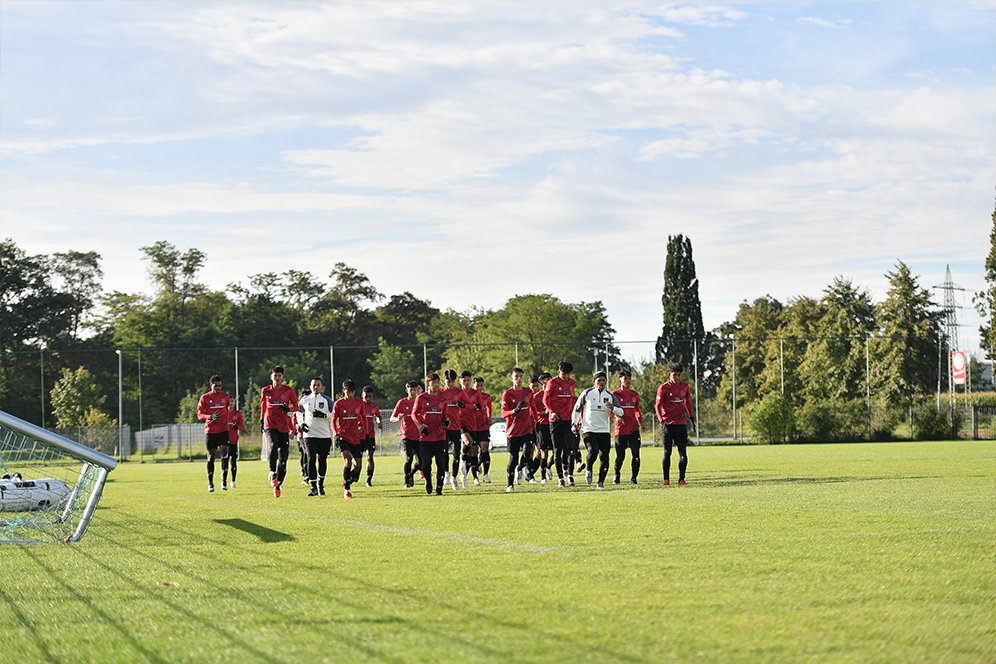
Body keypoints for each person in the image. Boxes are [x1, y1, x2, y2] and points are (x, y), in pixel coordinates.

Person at [572, 371, 624, 489]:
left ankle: (600, 482)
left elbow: (621, 412)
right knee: (593, 450)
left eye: (603, 380)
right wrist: (573, 424)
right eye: (599, 380)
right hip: (588, 429)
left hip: (604, 431)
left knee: (604, 457)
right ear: (594, 382)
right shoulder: (587, 393)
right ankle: (589, 469)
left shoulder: (610, 396)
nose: (601, 383)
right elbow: (577, 409)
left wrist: (613, 407)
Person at [260, 365, 299, 498]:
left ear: (283, 377)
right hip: (270, 424)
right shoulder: (265, 390)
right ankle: (272, 472)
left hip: (283, 426)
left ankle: (278, 484)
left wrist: (288, 409)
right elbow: (263, 406)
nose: (278, 378)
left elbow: (296, 406)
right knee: (272, 445)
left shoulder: (288, 390)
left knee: (284, 458)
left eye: (280, 375)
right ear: (271, 377)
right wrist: (261, 420)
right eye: (275, 375)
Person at [656, 362, 695, 486]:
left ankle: (681, 479)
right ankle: (666, 480)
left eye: (678, 375)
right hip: (667, 425)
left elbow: (687, 403)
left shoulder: (685, 387)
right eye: (674, 374)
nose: (676, 377)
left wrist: (691, 418)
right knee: (667, 452)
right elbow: (657, 406)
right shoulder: (663, 388)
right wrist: (661, 420)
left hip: (681, 424)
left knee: (683, 452)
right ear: (669, 374)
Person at [411, 373, 449, 496]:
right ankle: (428, 481)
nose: (437, 385)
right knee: (426, 463)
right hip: (425, 437)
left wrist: (446, 421)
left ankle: (439, 488)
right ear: (428, 384)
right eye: (434, 383)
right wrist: (420, 425)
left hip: (440, 437)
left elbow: (444, 416)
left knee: (441, 463)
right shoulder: (421, 398)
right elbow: (414, 414)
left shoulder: (443, 398)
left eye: (438, 383)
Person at [544, 361, 578, 487]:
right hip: (555, 420)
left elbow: (571, 400)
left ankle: (570, 475)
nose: (565, 376)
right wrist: (552, 412)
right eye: (563, 374)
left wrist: (575, 418)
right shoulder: (552, 383)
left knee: (569, 448)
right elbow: (545, 399)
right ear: (559, 372)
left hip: (568, 419)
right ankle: (560, 478)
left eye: (568, 374)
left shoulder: (572, 383)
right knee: (557, 450)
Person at [298, 377, 334, 496]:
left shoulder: (327, 400)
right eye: (314, 385)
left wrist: (324, 415)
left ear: (322, 387)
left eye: (318, 385)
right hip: (309, 435)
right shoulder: (304, 400)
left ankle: (321, 484)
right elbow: (298, 412)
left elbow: (334, 415)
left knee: (322, 460)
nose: (316, 387)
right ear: (310, 386)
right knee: (310, 459)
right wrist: (302, 424)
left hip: (324, 435)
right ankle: (313, 487)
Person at [196, 375, 232, 493]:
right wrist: (210, 416)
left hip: (223, 430)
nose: (218, 388)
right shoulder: (205, 398)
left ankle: (224, 482)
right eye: (215, 386)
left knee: (224, 454)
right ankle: (211, 483)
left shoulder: (225, 397)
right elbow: (199, 414)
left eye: (220, 386)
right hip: (211, 431)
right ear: (210, 385)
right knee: (211, 456)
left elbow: (229, 409)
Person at [500, 368, 533, 493]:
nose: (518, 379)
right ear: (511, 378)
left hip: (527, 429)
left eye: (520, 376)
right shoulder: (507, 394)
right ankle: (510, 484)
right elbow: (503, 413)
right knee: (513, 458)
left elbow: (533, 407)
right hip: (513, 432)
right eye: (516, 377)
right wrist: (514, 411)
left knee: (528, 452)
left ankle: (521, 468)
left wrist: (536, 421)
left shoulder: (528, 392)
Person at [332, 379, 366, 500]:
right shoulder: (338, 404)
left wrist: (365, 432)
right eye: (347, 391)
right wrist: (336, 434)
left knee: (359, 466)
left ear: (354, 392)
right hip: (343, 436)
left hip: (356, 437)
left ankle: (350, 480)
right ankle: (347, 490)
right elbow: (333, 420)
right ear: (343, 390)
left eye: (351, 391)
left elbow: (363, 417)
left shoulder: (359, 403)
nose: (349, 394)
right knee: (348, 460)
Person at [440, 369, 473, 490]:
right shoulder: (440, 392)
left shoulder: (459, 392)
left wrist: (463, 405)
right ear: (444, 380)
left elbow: (470, 405)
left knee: (456, 454)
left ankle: (454, 477)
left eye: (453, 381)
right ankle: (446, 473)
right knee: (443, 453)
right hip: (443, 427)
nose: (451, 383)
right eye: (448, 381)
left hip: (456, 426)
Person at [612, 369, 644, 484]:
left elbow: (636, 410)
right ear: (620, 380)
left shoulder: (635, 395)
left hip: (634, 429)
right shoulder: (615, 394)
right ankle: (617, 474)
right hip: (620, 430)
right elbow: (611, 410)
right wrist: (617, 417)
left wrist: (641, 421)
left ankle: (634, 478)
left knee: (636, 454)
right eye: (625, 378)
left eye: (629, 378)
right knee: (620, 456)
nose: (628, 380)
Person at [391, 380, 423, 488]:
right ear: (407, 390)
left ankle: (411, 474)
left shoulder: (420, 402)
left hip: (419, 436)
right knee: (409, 458)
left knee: (421, 462)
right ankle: (407, 481)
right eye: (411, 389)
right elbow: (392, 418)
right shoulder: (402, 403)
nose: (413, 392)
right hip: (406, 435)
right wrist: (397, 418)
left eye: (415, 389)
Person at [457, 371, 485, 488]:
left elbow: (482, 407)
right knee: (468, 442)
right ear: (460, 381)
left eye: (468, 380)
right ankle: (462, 461)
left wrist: (479, 407)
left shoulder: (476, 393)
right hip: (460, 424)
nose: (466, 382)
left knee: (473, 452)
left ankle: (471, 477)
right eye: (464, 380)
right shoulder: (457, 393)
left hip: (473, 424)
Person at [529, 372, 553, 482]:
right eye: (543, 383)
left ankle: (544, 468)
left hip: (554, 425)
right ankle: (542, 477)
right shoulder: (536, 396)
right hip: (542, 426)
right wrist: (544, 412)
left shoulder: (554, 395)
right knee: (543, 451)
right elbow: (533, 412)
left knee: (560, 450)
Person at [357, 386, 382, 487]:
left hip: (370, 436)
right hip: (358, 437)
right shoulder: (358, 405)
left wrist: (379, 422)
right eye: (366, 396)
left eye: (370, 396)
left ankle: (368, 479)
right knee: (357, 459)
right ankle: (355, 474)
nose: (368, 398)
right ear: (362, 395)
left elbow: (378, 416)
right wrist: (358, 426)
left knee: (370, 456)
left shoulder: (374, 406)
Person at [474, 376, 494, 483]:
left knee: (484, 448)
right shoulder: (470, 396)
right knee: (474, 451)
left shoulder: (487, 397)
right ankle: (475, 472)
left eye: (481, 385)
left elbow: (489, 408)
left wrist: (489, 417)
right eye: (477, 385)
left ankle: (486, 474)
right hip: (472, 426)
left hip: (483, 426)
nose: (479, 388)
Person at [226, 401, 246, 489]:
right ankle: (224, 480)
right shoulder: (223, 412)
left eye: (232, 401)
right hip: (224, 440)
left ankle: (233, 480)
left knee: (233, 461)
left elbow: (242, 426)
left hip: (233, 441)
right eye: (229, 401)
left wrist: (236, 426)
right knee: (225, 461)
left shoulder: (237, 413)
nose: (231, 403)